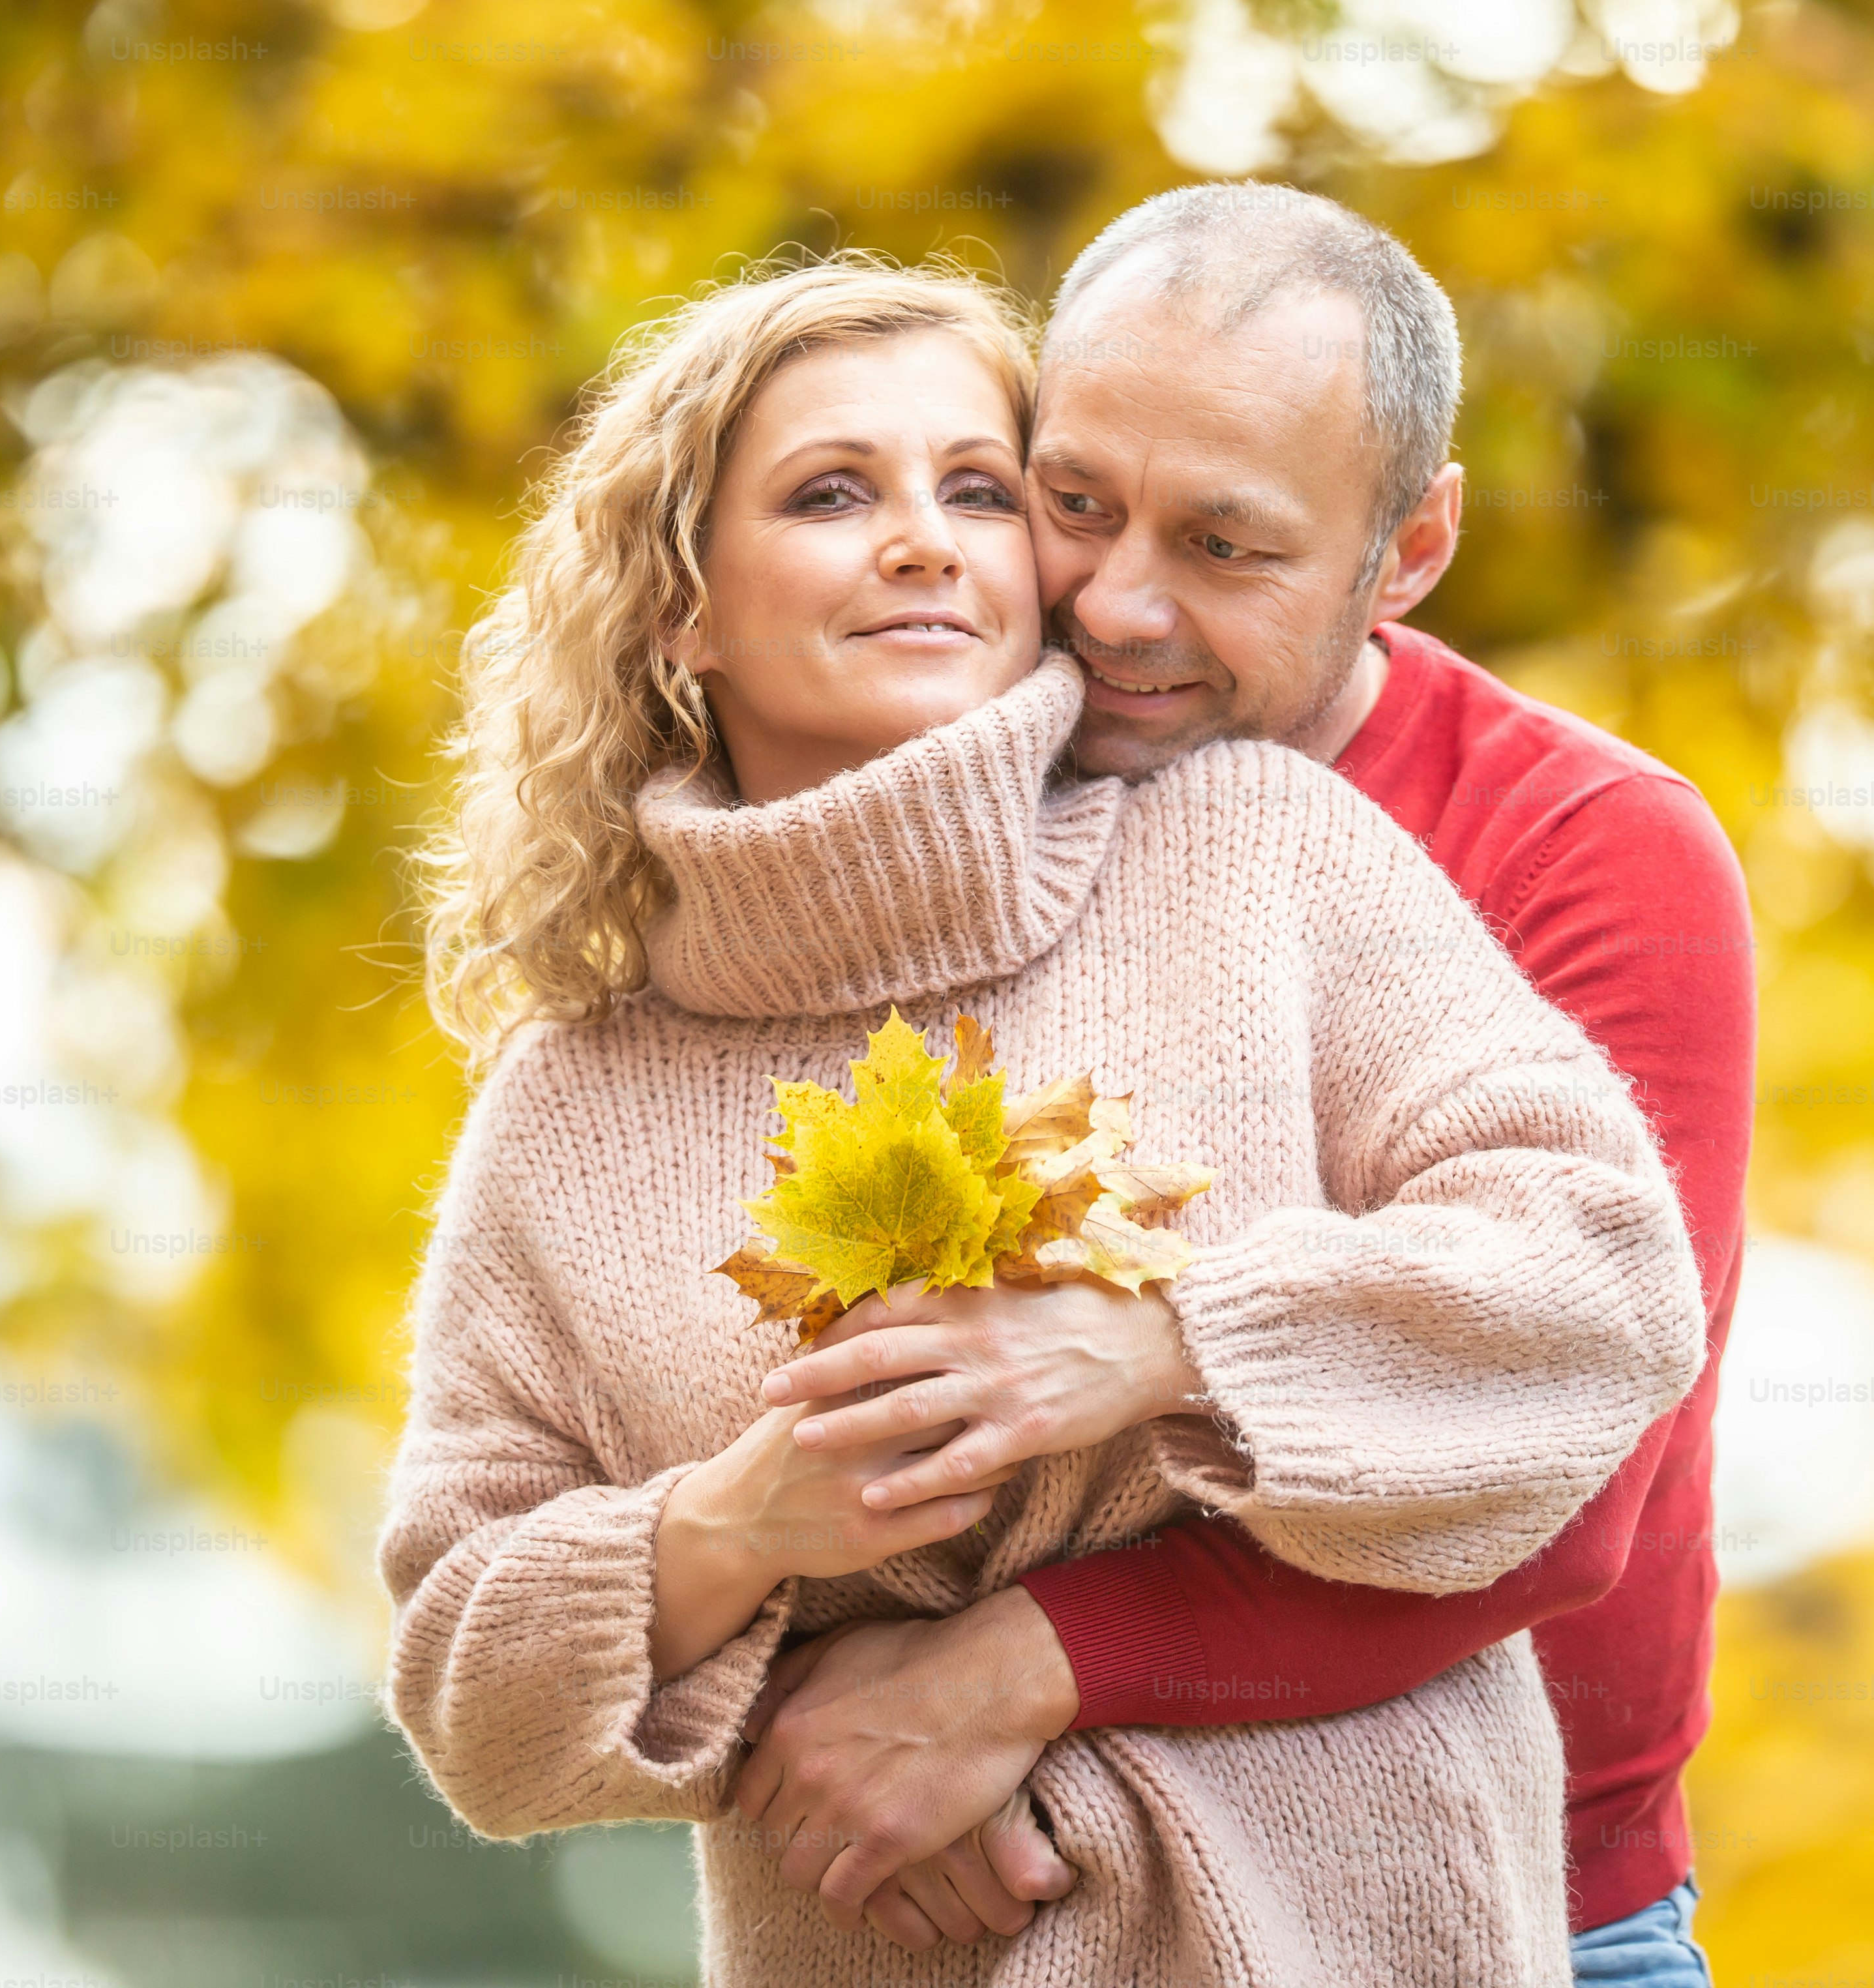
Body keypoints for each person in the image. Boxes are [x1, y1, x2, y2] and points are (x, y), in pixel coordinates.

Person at [373, 254, 1711, 1983]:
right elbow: (465, 1682)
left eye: (981, 491)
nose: (926, 538)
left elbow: (1600, 1286)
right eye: (832, 491)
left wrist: (1170, 1342)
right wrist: (735, 1532)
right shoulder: (570, 1099)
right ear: (679, 609)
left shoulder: (1253, 852)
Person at [723, 186, 1758, 1987]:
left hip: (1515, 1910)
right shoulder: (960, 791)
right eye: (1076, 505)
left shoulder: (1585, 850)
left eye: (1224, 544)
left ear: (1410, 544)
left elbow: (1572, 1478)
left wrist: (1008, 1671)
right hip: (1012, 1902)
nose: (1116, 604)